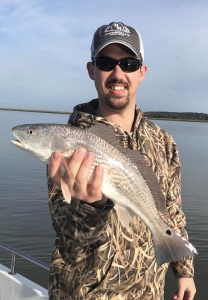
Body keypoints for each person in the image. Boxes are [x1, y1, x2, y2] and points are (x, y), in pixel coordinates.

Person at [47, 21, 196, 300]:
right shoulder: (69, 144)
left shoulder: (163, 141)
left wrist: (184, 270)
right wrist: (92, 207)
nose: (117, 73)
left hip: (150, 292)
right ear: (91, 70)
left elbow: (172, 211)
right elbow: (68, 236)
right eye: (105, 62)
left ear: (142, 72)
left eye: (128, 63)